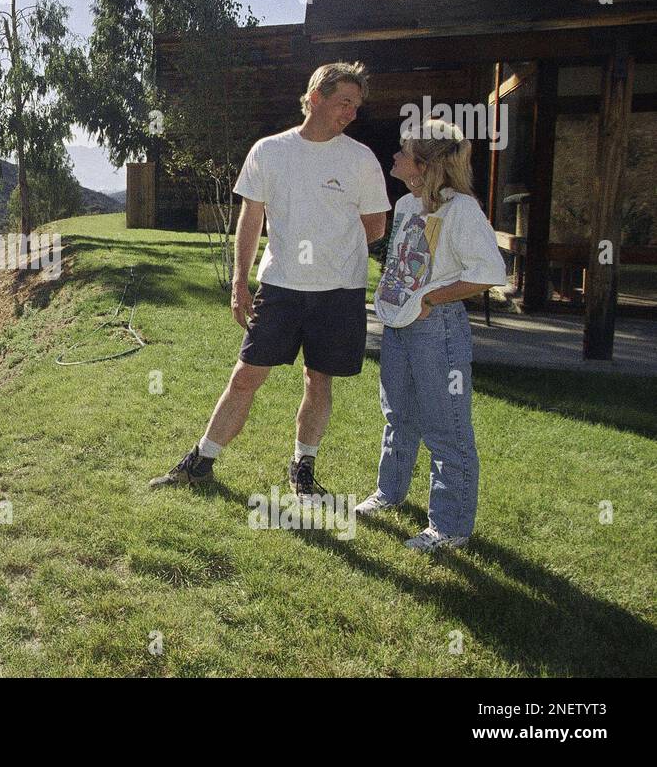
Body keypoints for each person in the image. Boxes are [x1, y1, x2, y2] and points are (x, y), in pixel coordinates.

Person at [150, 62, 390, 497]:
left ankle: (303, 467)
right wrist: (240, 281)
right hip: (280, 288)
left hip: (339, 292)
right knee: (245, 376)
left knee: (319, 380)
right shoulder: (269, 152)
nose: (351, 113)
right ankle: (201, 461)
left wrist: (335, 249)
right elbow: (250, 219)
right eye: (343, 103)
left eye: (356, 106)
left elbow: (376, 226)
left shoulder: (360, 160)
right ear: (315, 98)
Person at [353, 118, 506, 552]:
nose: (395, 156)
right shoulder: (406, 206)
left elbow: (490, 273)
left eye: (404, 151)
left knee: (447, 428)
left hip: (436, 331)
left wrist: (431, 299)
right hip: (399, 329)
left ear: (424, 163)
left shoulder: (462, 210)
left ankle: (450, 525)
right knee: (398, 416)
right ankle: (390, 492)